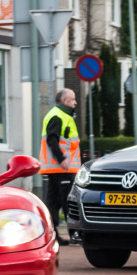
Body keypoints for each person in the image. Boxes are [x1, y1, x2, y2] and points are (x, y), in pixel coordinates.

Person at [39, 88, 80, 244]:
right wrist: (62, 158)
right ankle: (74, 234)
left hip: (58, 167)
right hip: (61, 167)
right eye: (72, 99)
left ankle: (52, 235)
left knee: (54, 202)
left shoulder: (61, 115)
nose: (75, 102)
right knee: (68, 201)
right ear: (64, 101)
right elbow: (52, 140)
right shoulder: (57, 116)